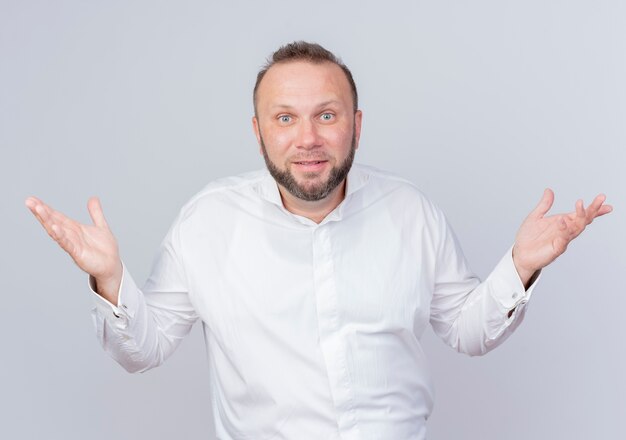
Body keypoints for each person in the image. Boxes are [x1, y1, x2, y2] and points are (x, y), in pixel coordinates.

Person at [25, 41, 612, 440]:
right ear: (258, 132)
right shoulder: (207, 222)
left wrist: (521, 266)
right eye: (285, 119)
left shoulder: (410, 212)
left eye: (327, 116)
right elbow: (140, 350)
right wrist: (107, 277)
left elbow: (466, 328)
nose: (307, 138)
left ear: (357, 124)